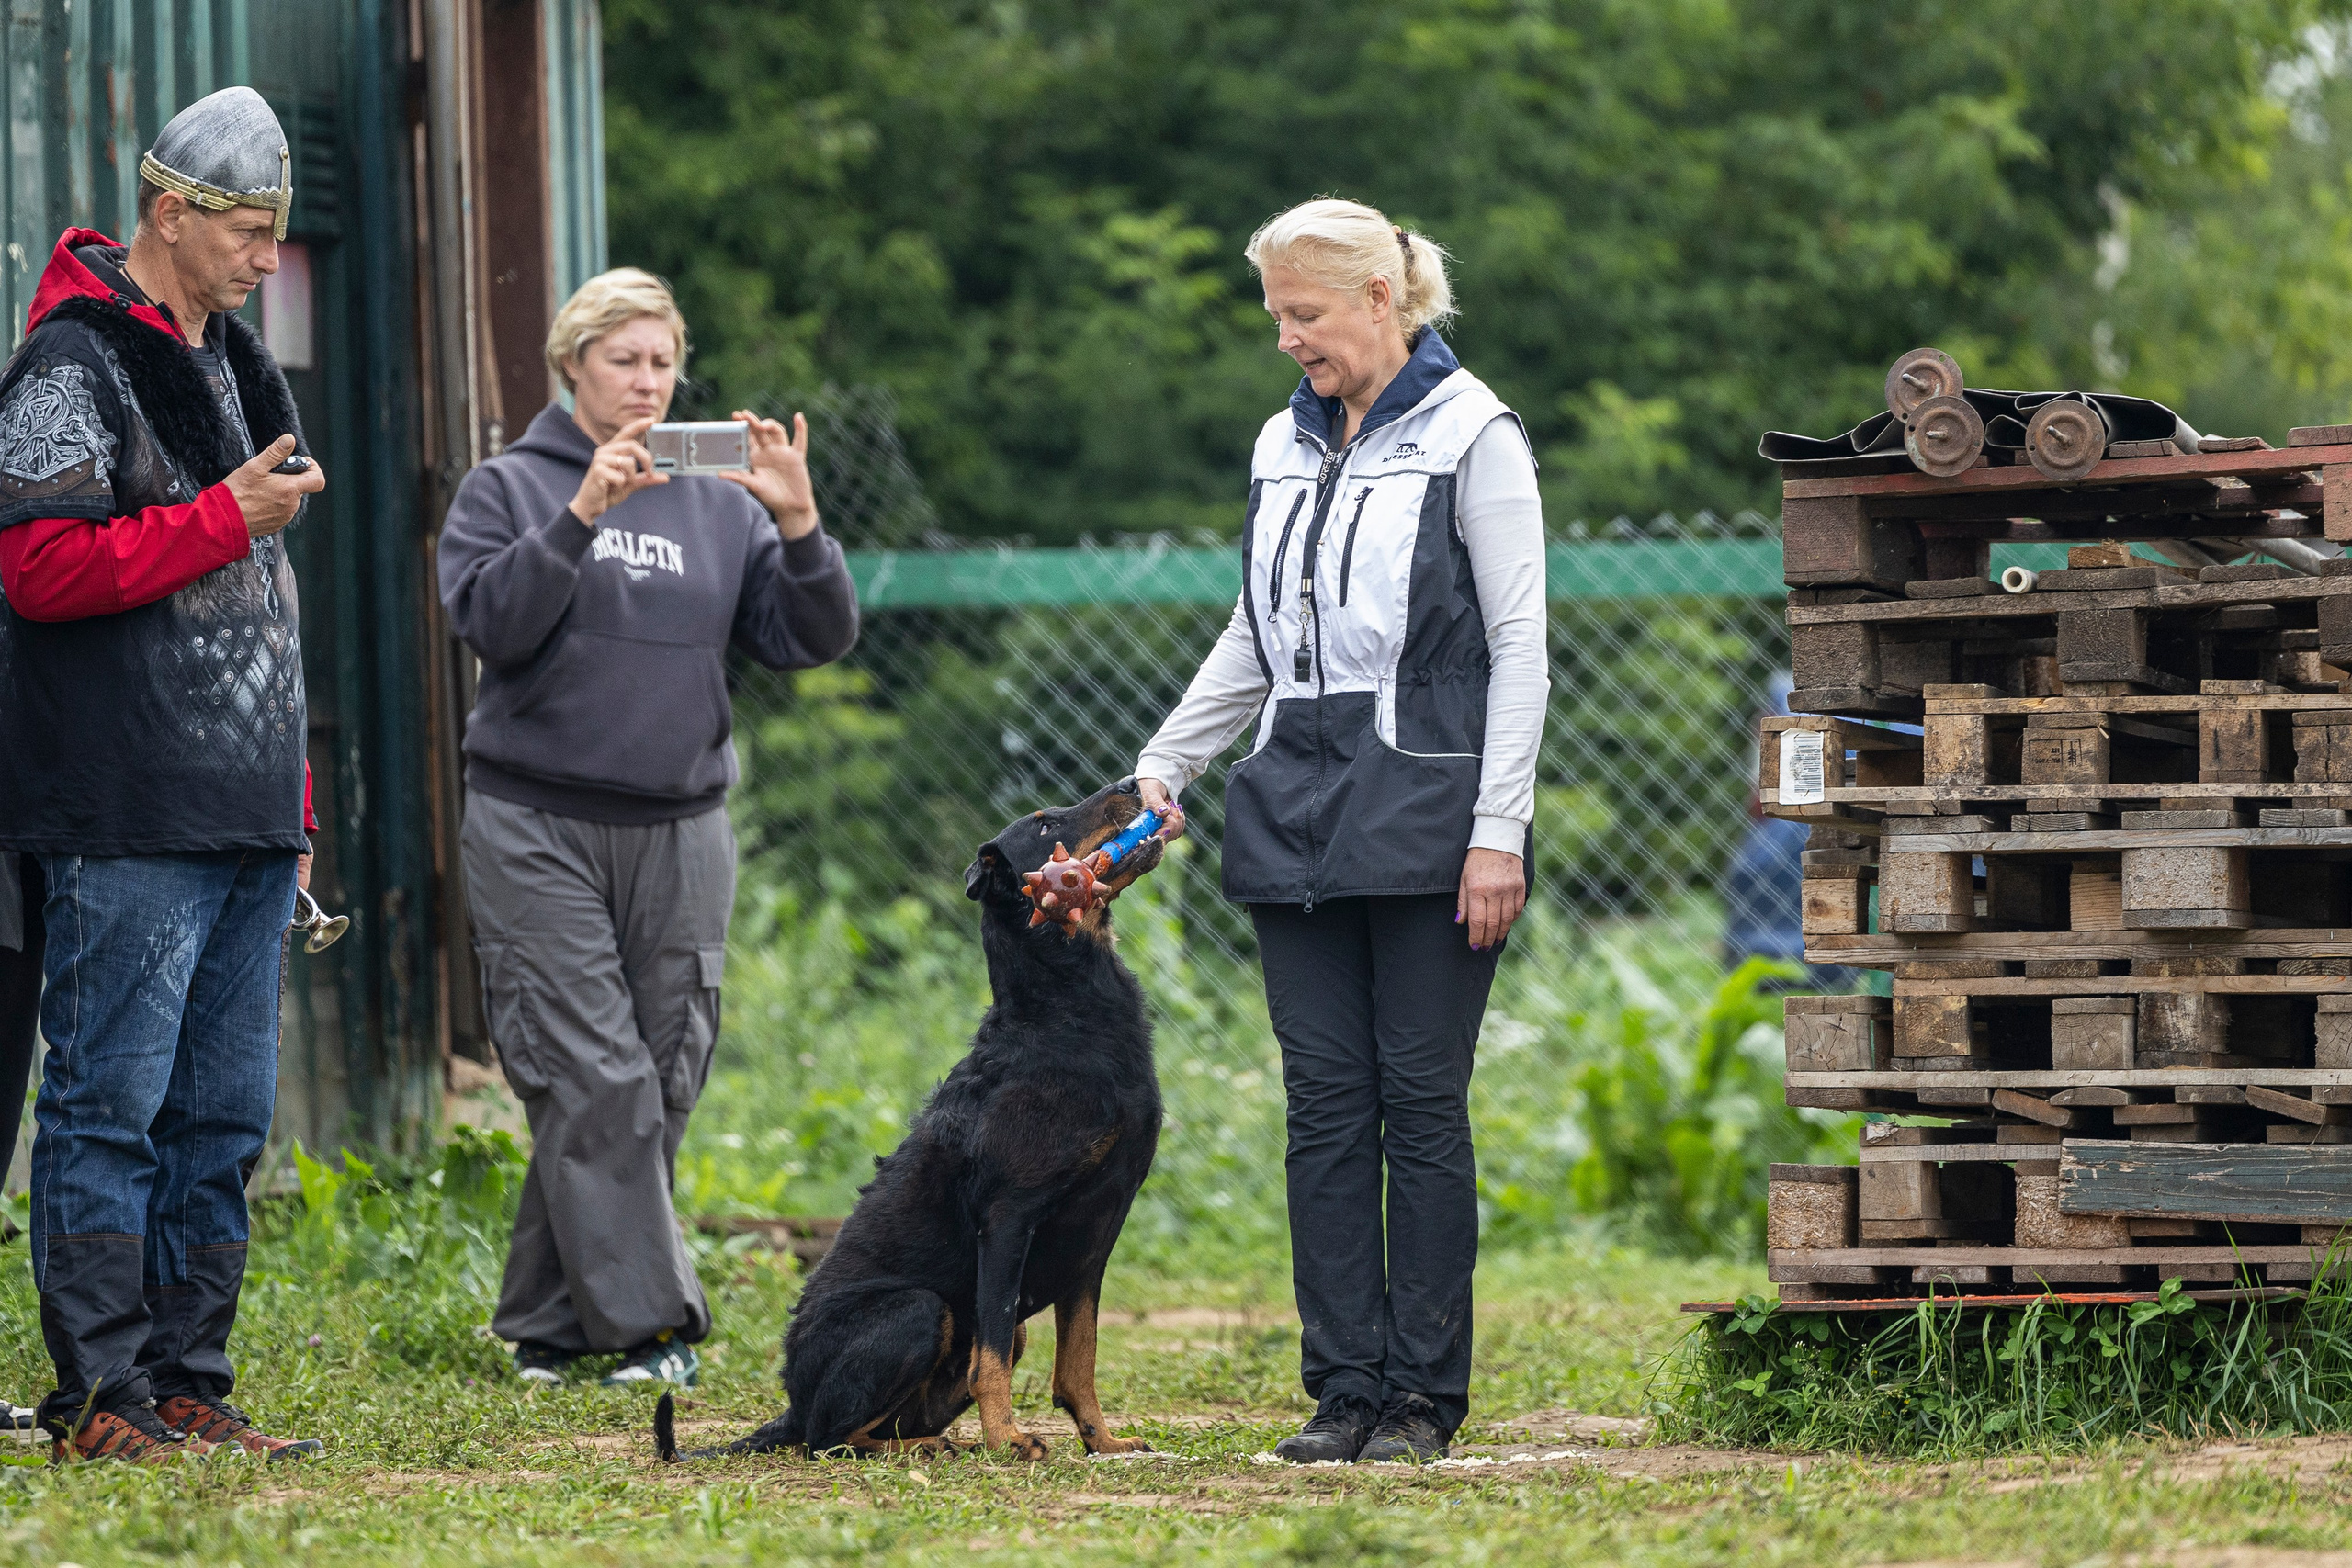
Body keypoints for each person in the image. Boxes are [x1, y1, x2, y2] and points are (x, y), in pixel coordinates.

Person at [1132, 198, 1547, 1464]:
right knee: (1324, 1106)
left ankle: (1421, 1397)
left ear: (1380, 298)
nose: (1286, 341)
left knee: (1420, 1105)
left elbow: (1522, 641)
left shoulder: (1475, 432)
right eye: (1275, 315)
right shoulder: (1279, 442)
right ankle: (1343, 1389)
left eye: (1302, 314)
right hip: (1296, 810)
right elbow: (1258, 633)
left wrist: (1500, 828)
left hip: (1430, 815)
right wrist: (1168, 756)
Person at [438, 268, 859, 1389]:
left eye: (663, 362)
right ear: (571, 364)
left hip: (680, 826)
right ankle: (649, 1328)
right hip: (537, 825)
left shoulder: (720, 504)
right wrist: (581, 515)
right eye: (624, 359)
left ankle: (546, 1327)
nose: (647, 382)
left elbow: (806, 638)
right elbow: (492, 623)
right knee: (592, 1076)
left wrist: (800, 520)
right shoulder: (508, 488)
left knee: (660, 1077)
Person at [0, 86, 328, 1463]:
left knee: (220, 1119)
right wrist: (214, 517)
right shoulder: (67, 365)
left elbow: (272, 602)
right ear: (170, 212)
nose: (265, 259)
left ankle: (190, 1376)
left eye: (272, 236)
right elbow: (36, 568)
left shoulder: (241, 361)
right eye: (248, 232)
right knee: (111, 1106)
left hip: (245, 808)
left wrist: (297, 809)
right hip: (125, 806)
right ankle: (100, 1394)